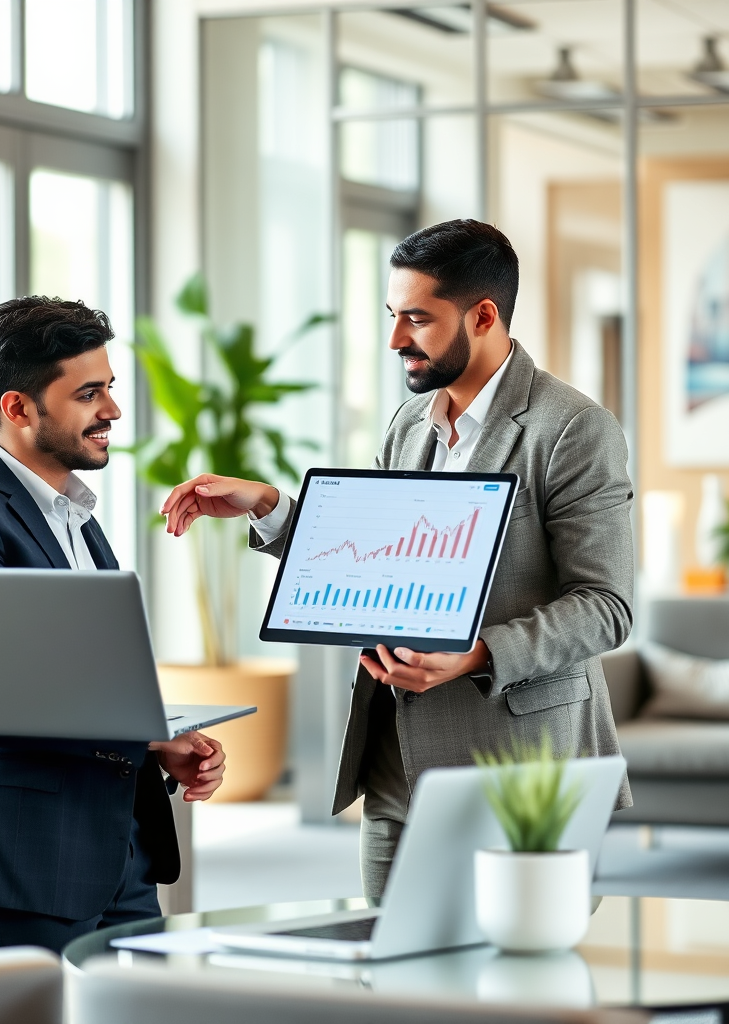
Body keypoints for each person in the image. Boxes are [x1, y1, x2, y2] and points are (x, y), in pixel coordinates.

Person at [161, 219, 633, 897]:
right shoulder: (409, 424)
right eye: (392, 315)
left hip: (520, 766)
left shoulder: (572, 429)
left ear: (484, 315)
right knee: (392, 976)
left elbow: (607, 607)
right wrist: (270, 508)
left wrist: (477, 653)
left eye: (417, 318)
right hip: (397, 759)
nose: (394, 340)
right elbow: (373, 564)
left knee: (508, 989)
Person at [0, 296, 226, 952]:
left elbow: (81, 679)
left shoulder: (77, 519)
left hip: (116, 859)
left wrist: (160, 743)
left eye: (109, 388)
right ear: (19, 407)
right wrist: (142, 739)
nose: (112, 410)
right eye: (88, 393)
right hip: (18, 860)